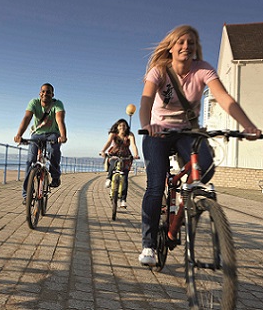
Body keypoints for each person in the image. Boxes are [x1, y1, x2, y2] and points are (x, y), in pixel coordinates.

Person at [138, 25, 261, 266]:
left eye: (191, 43)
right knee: (154, 187)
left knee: (205, 166)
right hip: (158, 133)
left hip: (188, 132)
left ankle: (187, 205)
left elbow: (224, 98)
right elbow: (146, 100)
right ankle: (149, 244)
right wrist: (146, 124)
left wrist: (248, 125)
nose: (186, 47)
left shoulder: (203, 69)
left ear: (196, 48)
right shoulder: (159, 70)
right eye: (181, 42)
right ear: (171, 47)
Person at [14, 83, 67, 204]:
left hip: (53, 133)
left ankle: (55, 176)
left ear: (52, 94)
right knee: (30, 160)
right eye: (43, 91)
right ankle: (26, 194)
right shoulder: (34, 102)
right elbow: (27, 118)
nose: (45, 94)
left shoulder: (57, 104)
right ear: (39, 93)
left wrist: (63, 136)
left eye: (48, 92)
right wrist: (19, 135)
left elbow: (60, 120)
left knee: (54, 150)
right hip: (37, 134)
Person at [99, 119, 140, 208]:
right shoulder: (113, 134)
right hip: (114, 154)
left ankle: (123, 200)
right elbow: (109, 142)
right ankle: (109, 178)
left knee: (125, 177)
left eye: (124, 126)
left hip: (126, 156)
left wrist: (136, 154)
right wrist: (103, 151)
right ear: (117, 127)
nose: (122, 127)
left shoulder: (130, 135)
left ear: (126, 127)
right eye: (120, 126)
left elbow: (133, 144)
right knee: (113, 162)